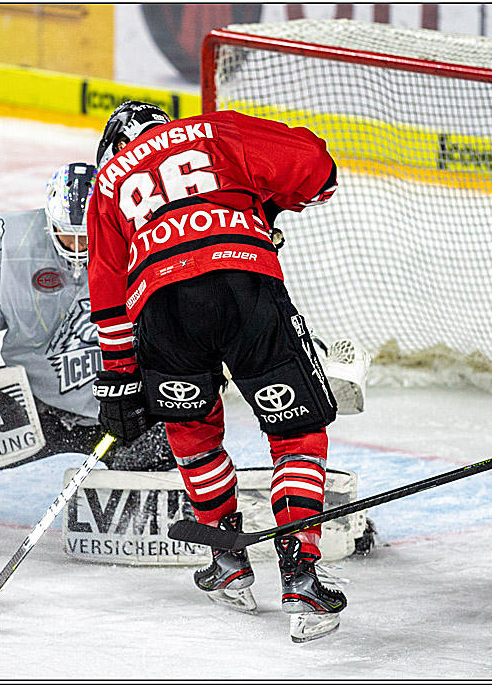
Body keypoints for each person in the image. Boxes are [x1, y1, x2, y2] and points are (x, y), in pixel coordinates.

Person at [87, 101, 347, 630]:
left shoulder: (108, 183)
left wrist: (118, 377)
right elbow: (317, 168)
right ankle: (300, 575)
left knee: (192, 429)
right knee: (297, 430)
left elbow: (108, 288)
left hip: (161, 308)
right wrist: (266, 205)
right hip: (241, 283)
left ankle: (227, 561)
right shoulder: (211, 130)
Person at [0, 161, 175, 472]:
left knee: (169, 454)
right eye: (68, 235)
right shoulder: (9, 243)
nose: (79, 249)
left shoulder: (143, 243)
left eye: (87, 235)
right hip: (32, 403)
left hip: (125, 409)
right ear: (49, 222)